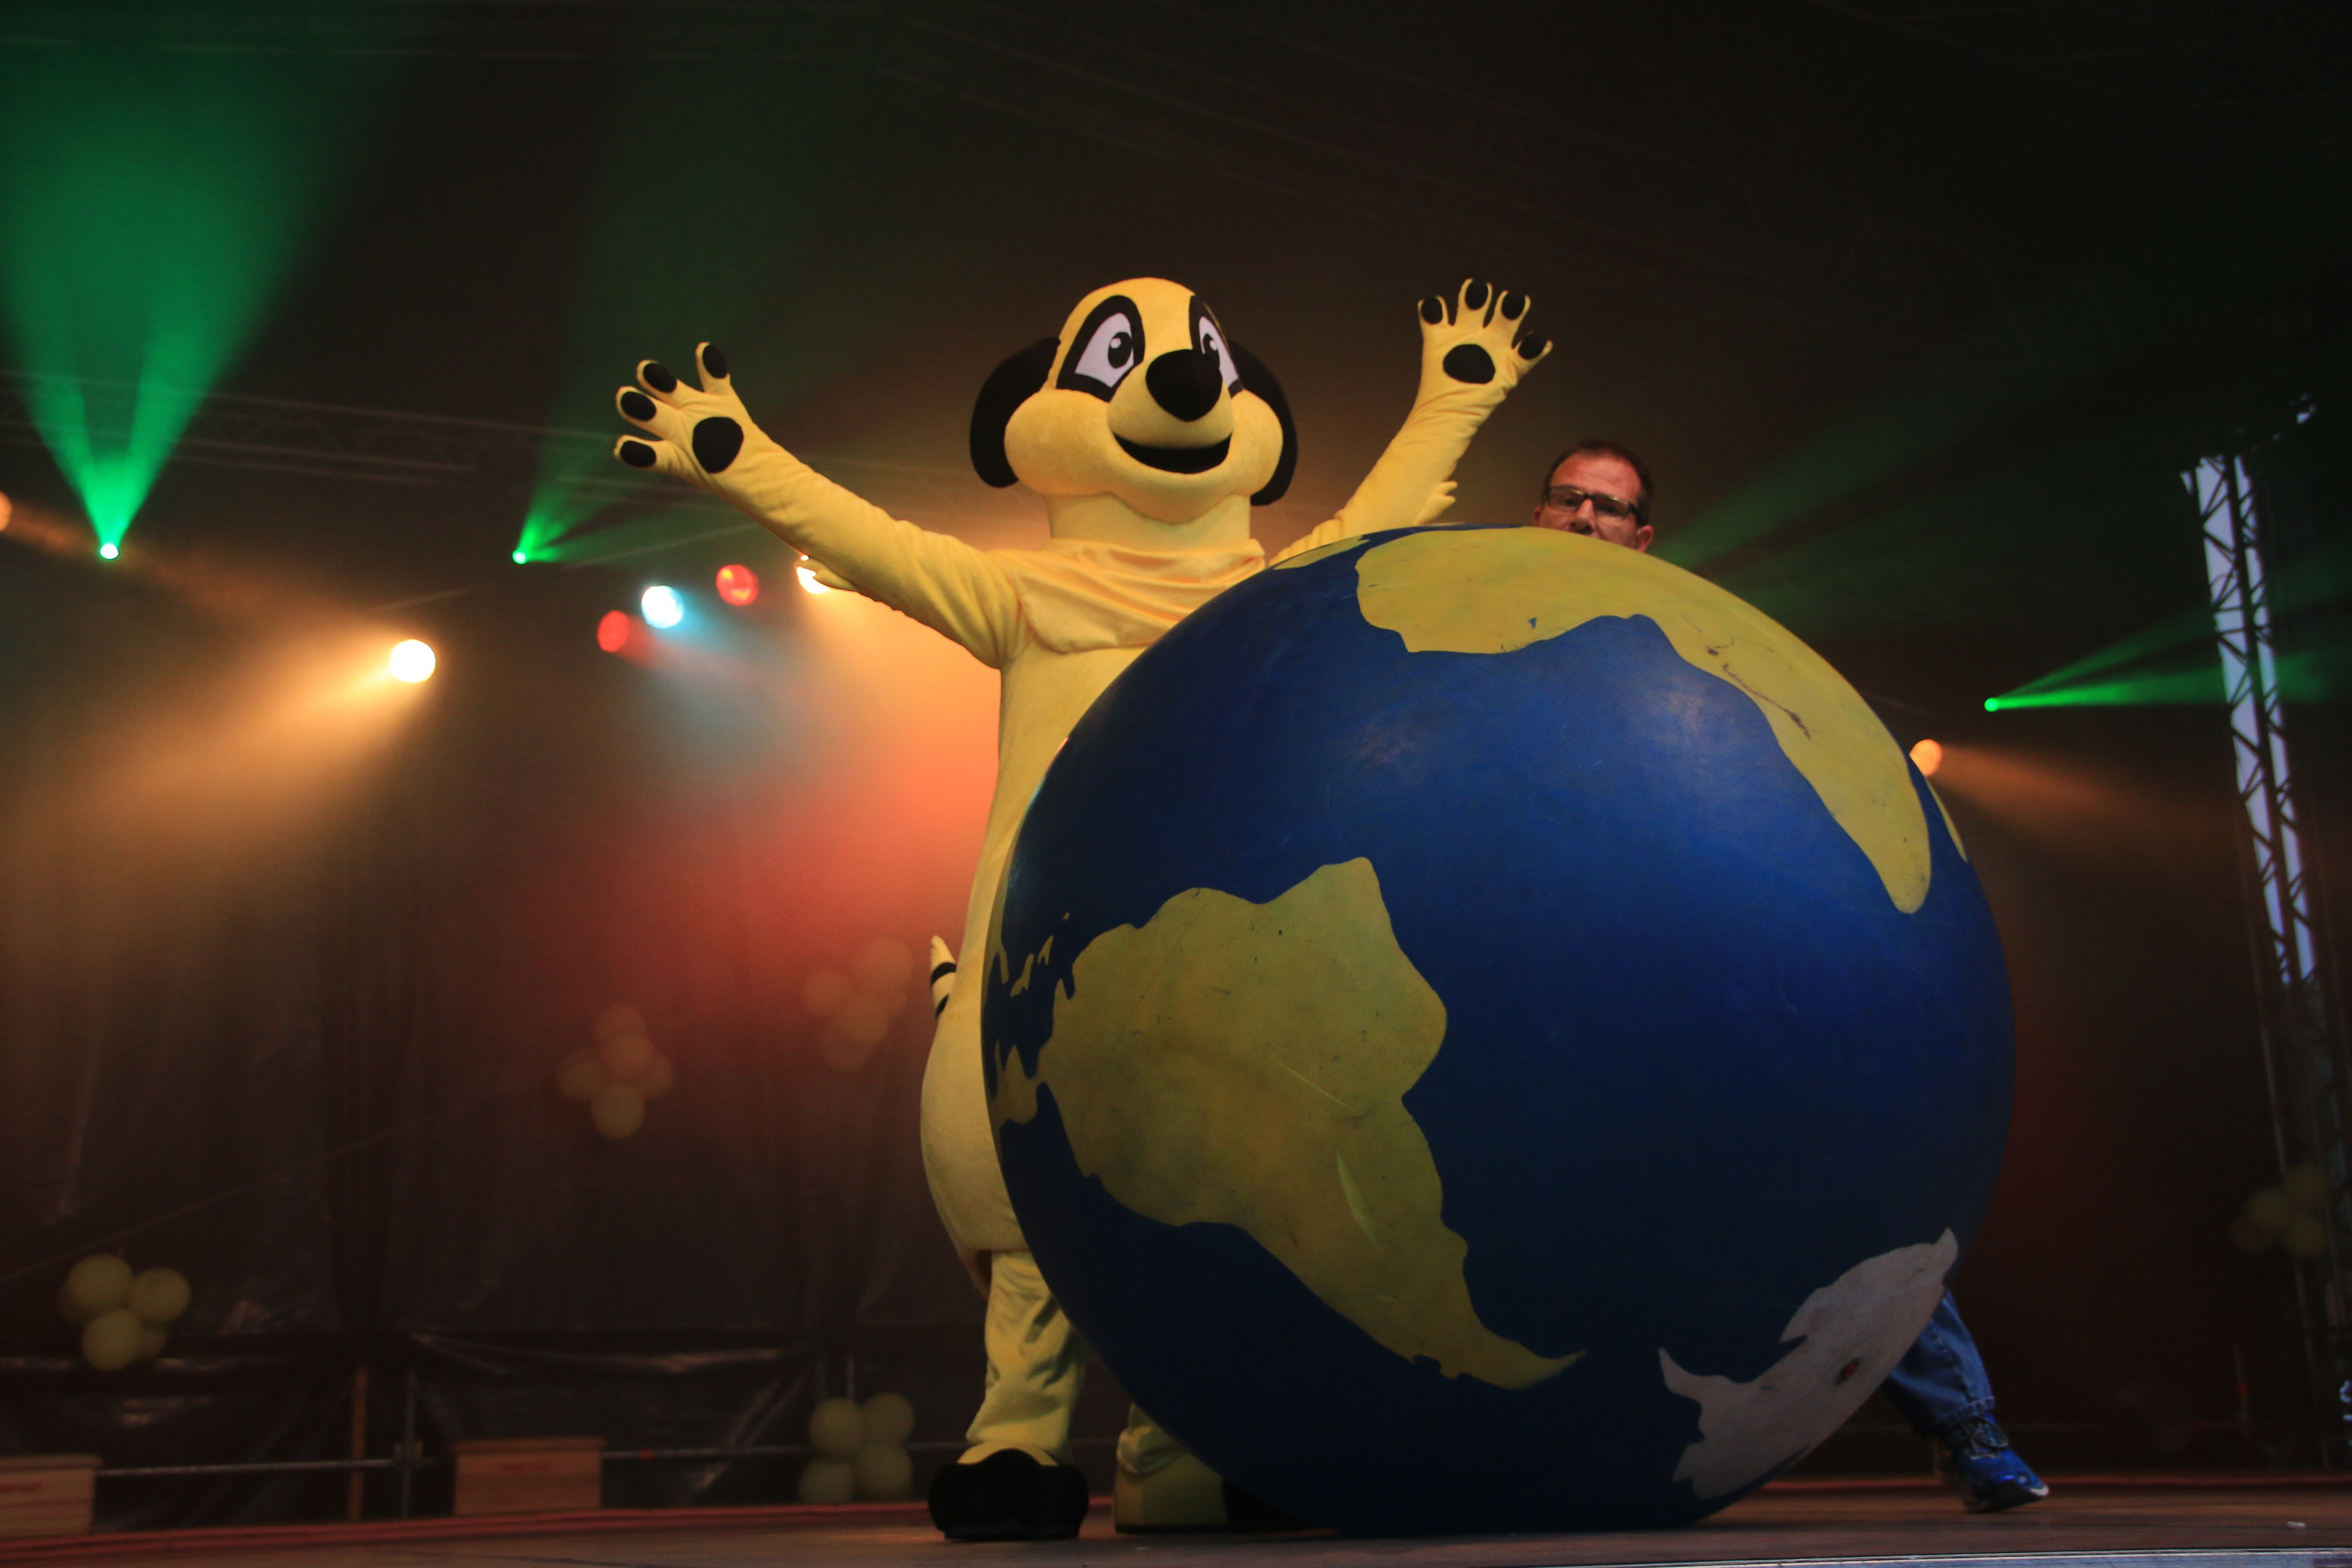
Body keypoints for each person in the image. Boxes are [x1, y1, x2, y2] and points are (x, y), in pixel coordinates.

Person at [1530, 440, 2050, 1516]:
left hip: (1691, 973)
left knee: (1832, 1194)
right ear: (1537, 512)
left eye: (1609, 507)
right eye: (1568, 499)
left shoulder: (1683, 647)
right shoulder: (1489, 633)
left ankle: (1966, 1428)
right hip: (1543, 979)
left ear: (1643, 535)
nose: (1584, 518)